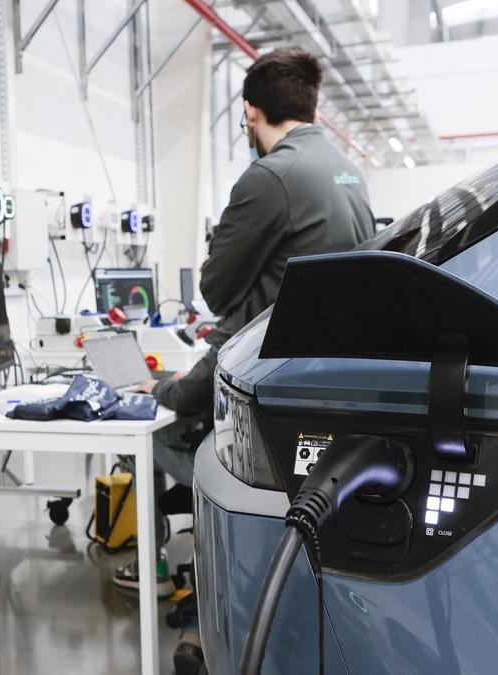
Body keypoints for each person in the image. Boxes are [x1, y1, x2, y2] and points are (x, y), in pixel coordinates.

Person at [113, 45, 377, 674]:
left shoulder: (270, 176)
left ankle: (182, 586)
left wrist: (175, 388)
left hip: (269, 402)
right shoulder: (345, 170)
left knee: (152, 430)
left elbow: (217, 289)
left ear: (252, 113)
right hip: (331, 391)